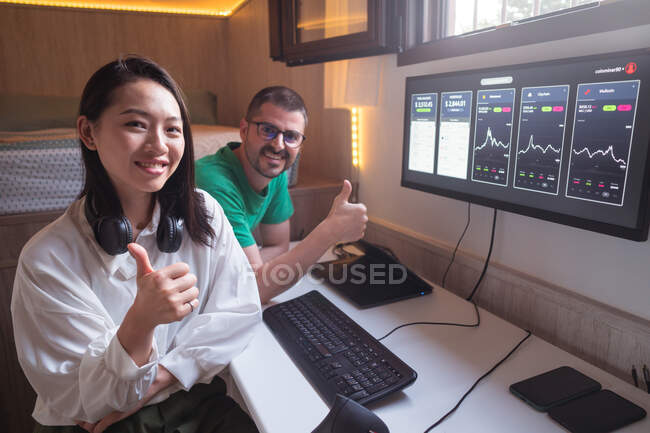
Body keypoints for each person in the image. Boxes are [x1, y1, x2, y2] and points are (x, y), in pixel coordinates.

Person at [11, 56, 261, 433]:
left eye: (173, 130)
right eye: (136, 124)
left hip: (187, 399)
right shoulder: (47, 259)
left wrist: (157, 380)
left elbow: (239, 313)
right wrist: (139, 324)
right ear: (88, 132)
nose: (158, 145)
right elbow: (87, 401)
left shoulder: (204, 213)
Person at [195, 86, 368, 304]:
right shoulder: (213, 182)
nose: (278, 145)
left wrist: (251, 270)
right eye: (268, 130)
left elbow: (278, 245)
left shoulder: (274, 173)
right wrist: (329, 231)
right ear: (244, 130)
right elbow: (252, 291)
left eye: (291, 136)